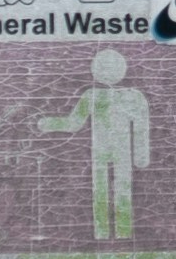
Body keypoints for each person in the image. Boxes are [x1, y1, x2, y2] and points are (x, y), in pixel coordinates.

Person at [40, 47, 153, 241]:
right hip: (106, 152)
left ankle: (116, 233)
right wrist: (49, 123)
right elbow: (74, 123)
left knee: (114, 190)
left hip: (114, 151)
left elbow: (141, 128)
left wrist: (142, 155)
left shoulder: (129, 97)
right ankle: (109, 234)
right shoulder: (97, 96)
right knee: (107, 190)